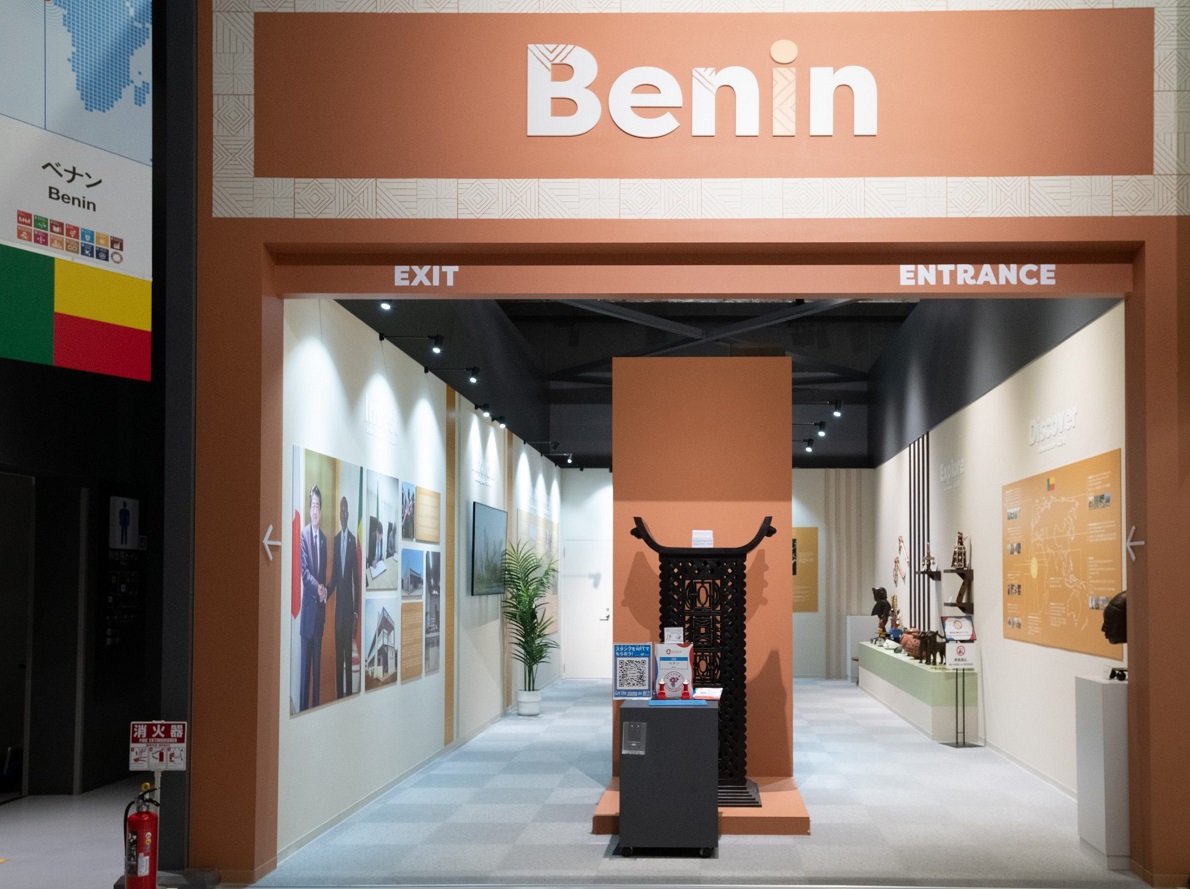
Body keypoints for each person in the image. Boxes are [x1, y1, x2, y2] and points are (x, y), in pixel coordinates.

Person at [299, 485, 328, 711]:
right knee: (305, 677)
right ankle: (302, 713)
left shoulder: (324, 540)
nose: (315, 510)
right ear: (309, 509)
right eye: (313, 506)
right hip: (308, 615)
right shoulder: (304, 535)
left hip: (320, 617)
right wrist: (318, 588)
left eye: (318, 506)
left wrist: (324, 589)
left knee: (317, 673)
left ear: (321, 510)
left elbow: (323, 575)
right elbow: (304, 571)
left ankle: (316, 713)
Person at [329, 496, 359, 698]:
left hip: (349, 613)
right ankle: (340, 695)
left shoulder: (352, 540)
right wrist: (325, 591)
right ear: (339, 515)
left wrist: (356, 611)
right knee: (338, 658)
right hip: (338, 613)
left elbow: (356, 579)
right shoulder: (336, 539)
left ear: (349, 514)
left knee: (348, 656)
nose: (343, 514)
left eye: (346, 511)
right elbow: (334, 577)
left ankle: (348, 695)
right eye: (341, 511)